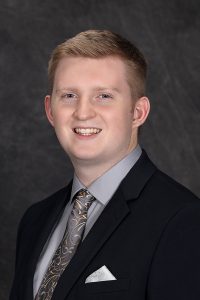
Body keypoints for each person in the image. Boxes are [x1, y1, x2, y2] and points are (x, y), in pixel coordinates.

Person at [10, 30, 200, 300]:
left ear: (138, 112)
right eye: (69, 96)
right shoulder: (34, 221)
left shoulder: (182, 220)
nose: (83, 112)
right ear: (50, 111)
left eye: (104, 96)